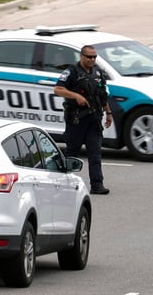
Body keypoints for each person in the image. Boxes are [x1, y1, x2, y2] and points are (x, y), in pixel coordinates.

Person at [53, 45, 112, 195]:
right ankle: (62, 182)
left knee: (95, 152)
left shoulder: (98, 72)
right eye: (89, 57)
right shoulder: (72, 72)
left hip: (94, 119)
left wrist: (108, 113)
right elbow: (58, 89)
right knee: (72, 153)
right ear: (81, 56)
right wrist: (76, 96)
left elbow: (102, 95)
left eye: (94, 57)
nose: (92, 60)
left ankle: (97, 184)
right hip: (77, 119)